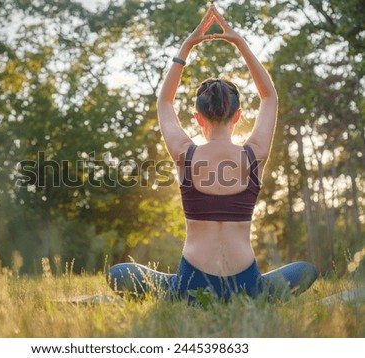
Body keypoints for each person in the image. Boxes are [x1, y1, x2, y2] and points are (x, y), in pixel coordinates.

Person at [107, 4, 317, 303]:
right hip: (246, 286)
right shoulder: (255, 153)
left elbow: (164, 102)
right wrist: (239, 42)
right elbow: (269, 96)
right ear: (238, 116)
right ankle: (259, 297)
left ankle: (173, 293)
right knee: (306, 270)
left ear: (197, 117)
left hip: (191, 284)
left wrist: (188, 45)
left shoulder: (184, 154)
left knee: (119, 273)